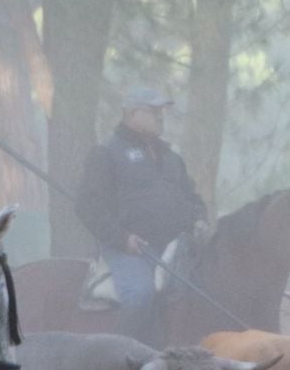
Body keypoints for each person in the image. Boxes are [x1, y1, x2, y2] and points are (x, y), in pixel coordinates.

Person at [74, 84, 206, 345]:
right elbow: (88, 206)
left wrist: (200, 219)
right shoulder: (106, 153)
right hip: (130, 249)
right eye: (154, 111)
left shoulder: (171, 157)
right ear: (132, 114)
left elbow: (192, 198)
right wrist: (122, 239)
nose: (161, 117)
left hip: (175, 247)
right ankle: (121, 357)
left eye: (162, 112)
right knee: (139, 295)